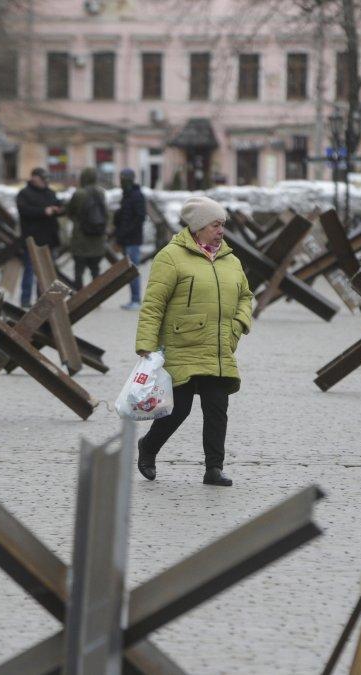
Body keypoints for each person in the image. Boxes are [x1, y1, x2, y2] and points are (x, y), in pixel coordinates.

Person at [134, 195, 253, 487]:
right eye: (215, 225)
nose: (221, 231)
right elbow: (153, 304)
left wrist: (238, 325)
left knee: (217, 408)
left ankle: (214, 468)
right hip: (181, 345)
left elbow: (246, 297)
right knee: (179, 408)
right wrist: (146, 345)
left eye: (223, 225)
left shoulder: (231, 260)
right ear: (198, 227)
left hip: (218, 347)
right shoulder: (171, 256)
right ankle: (148, 448)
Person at [15, 167, 62, 306]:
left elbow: (58, 206)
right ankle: (25, 300)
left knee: (48, 272)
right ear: (34, 178)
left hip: (50, 238)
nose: (45, 182)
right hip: (32, 239)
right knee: (30, 271)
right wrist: (43, 211)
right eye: (42, 179)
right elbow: (24, 210)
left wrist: (57, 209)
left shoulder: (50, 192)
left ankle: (42, 300)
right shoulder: (24, 194)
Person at [65, 167, 109, 289]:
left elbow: (69, 212)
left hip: (80, 239)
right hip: (97, 239)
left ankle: (79, 297)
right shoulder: (101, 193)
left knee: (79, 271)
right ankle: (96, 297)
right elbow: (105, 214)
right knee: (95, 270)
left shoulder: (78, 194)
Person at [113, 168, 146, 309]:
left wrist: (124, 232)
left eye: (123, 179)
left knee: (133, 270)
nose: (121, 182)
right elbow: (124, 217)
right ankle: (133, 299)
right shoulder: (127, 195)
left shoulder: (137, 196)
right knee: (129, 271)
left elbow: (139, 217)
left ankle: (136, 300)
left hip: (132, 240)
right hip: (126, 239)